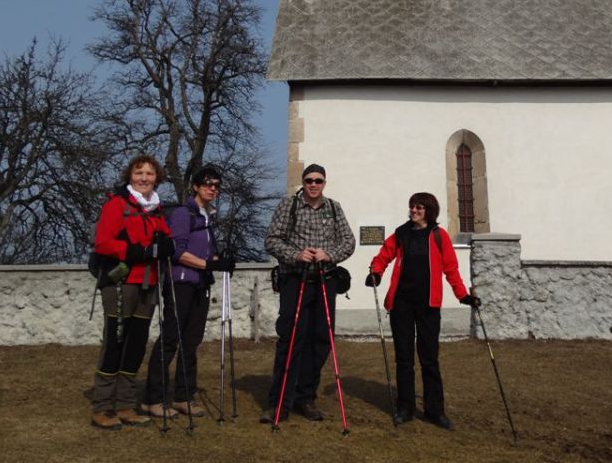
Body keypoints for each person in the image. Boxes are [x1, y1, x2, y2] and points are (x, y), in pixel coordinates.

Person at [365, 192, 480, 430]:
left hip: (428, 305)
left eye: (419, 207)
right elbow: (383, 256)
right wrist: (376, 272)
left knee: (429, 359)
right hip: (401, 304)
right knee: (404, 358)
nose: (414, 210)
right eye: (412, 207)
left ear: (429, 210)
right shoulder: (401, 233)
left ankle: (434, 411)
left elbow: (451, 269)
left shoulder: (439, 236)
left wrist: (463, 295)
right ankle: (405, 408)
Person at [259, 164, 356, 423]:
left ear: (325, 183)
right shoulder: (288, 206)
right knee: (291, 339)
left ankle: (305, 397)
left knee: (321, 340)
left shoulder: (334, 208)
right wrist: (296, 254)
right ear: (303, 182)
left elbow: (349, 241)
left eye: (319, 181)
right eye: (309, 180)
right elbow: (272, 239)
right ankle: (279, 402)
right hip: (295, 279)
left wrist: (329, 254)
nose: (314, 184)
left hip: (325, 280)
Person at [141, 165, 235, 419]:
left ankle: (184, 396)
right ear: (195, 186)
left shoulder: (206, 215)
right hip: (180, 283)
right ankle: (153, 398)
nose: (212, 189)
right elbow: (178, 252)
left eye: (216, 185)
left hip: (200, 285)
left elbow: (206, 252)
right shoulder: (184, 213)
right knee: (171, 339)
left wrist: (219, 260)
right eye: (207, 184)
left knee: (191, 342)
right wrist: (209, 264)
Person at [90, 154, 175, 430]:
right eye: (139, 173)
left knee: (136, 344)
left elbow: (166, 239)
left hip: (148, 285)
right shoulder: (117, 205)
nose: (144, 179)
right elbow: (102, 243)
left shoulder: (156, 209)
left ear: (156, 179)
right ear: (130, 176)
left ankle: (126, 404)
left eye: (149, 174)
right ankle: (103, 405)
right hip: (120, 283)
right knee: (115, 342)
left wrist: (166, 246)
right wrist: (134, 252)